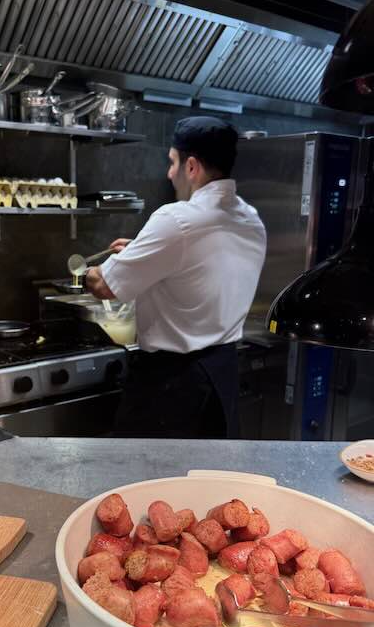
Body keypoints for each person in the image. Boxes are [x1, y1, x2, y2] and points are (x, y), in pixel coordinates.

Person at [85, 116, 266, 439]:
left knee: (148, 469)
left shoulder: (176, 219)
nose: (170, 173)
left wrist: (85, 272)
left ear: (191, 166)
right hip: (222, 374)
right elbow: (200, 265)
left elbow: (104, 286)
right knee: (209, 468)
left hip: (172, 383)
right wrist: (142, 251)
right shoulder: (251, 219)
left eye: (172, 162)